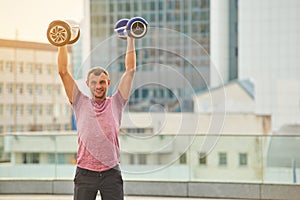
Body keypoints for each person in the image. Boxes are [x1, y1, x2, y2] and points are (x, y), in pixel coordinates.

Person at [57, 37, 136, 200]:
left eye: (102, 82)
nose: (98, 86)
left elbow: (130, 70)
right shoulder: (79, 101)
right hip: (85, 173)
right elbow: (63, 71)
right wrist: (62, 42)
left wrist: (131, 37)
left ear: (108, 82)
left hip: (111, 173)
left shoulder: (117, 102)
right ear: (87, 84)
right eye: (94, 83)